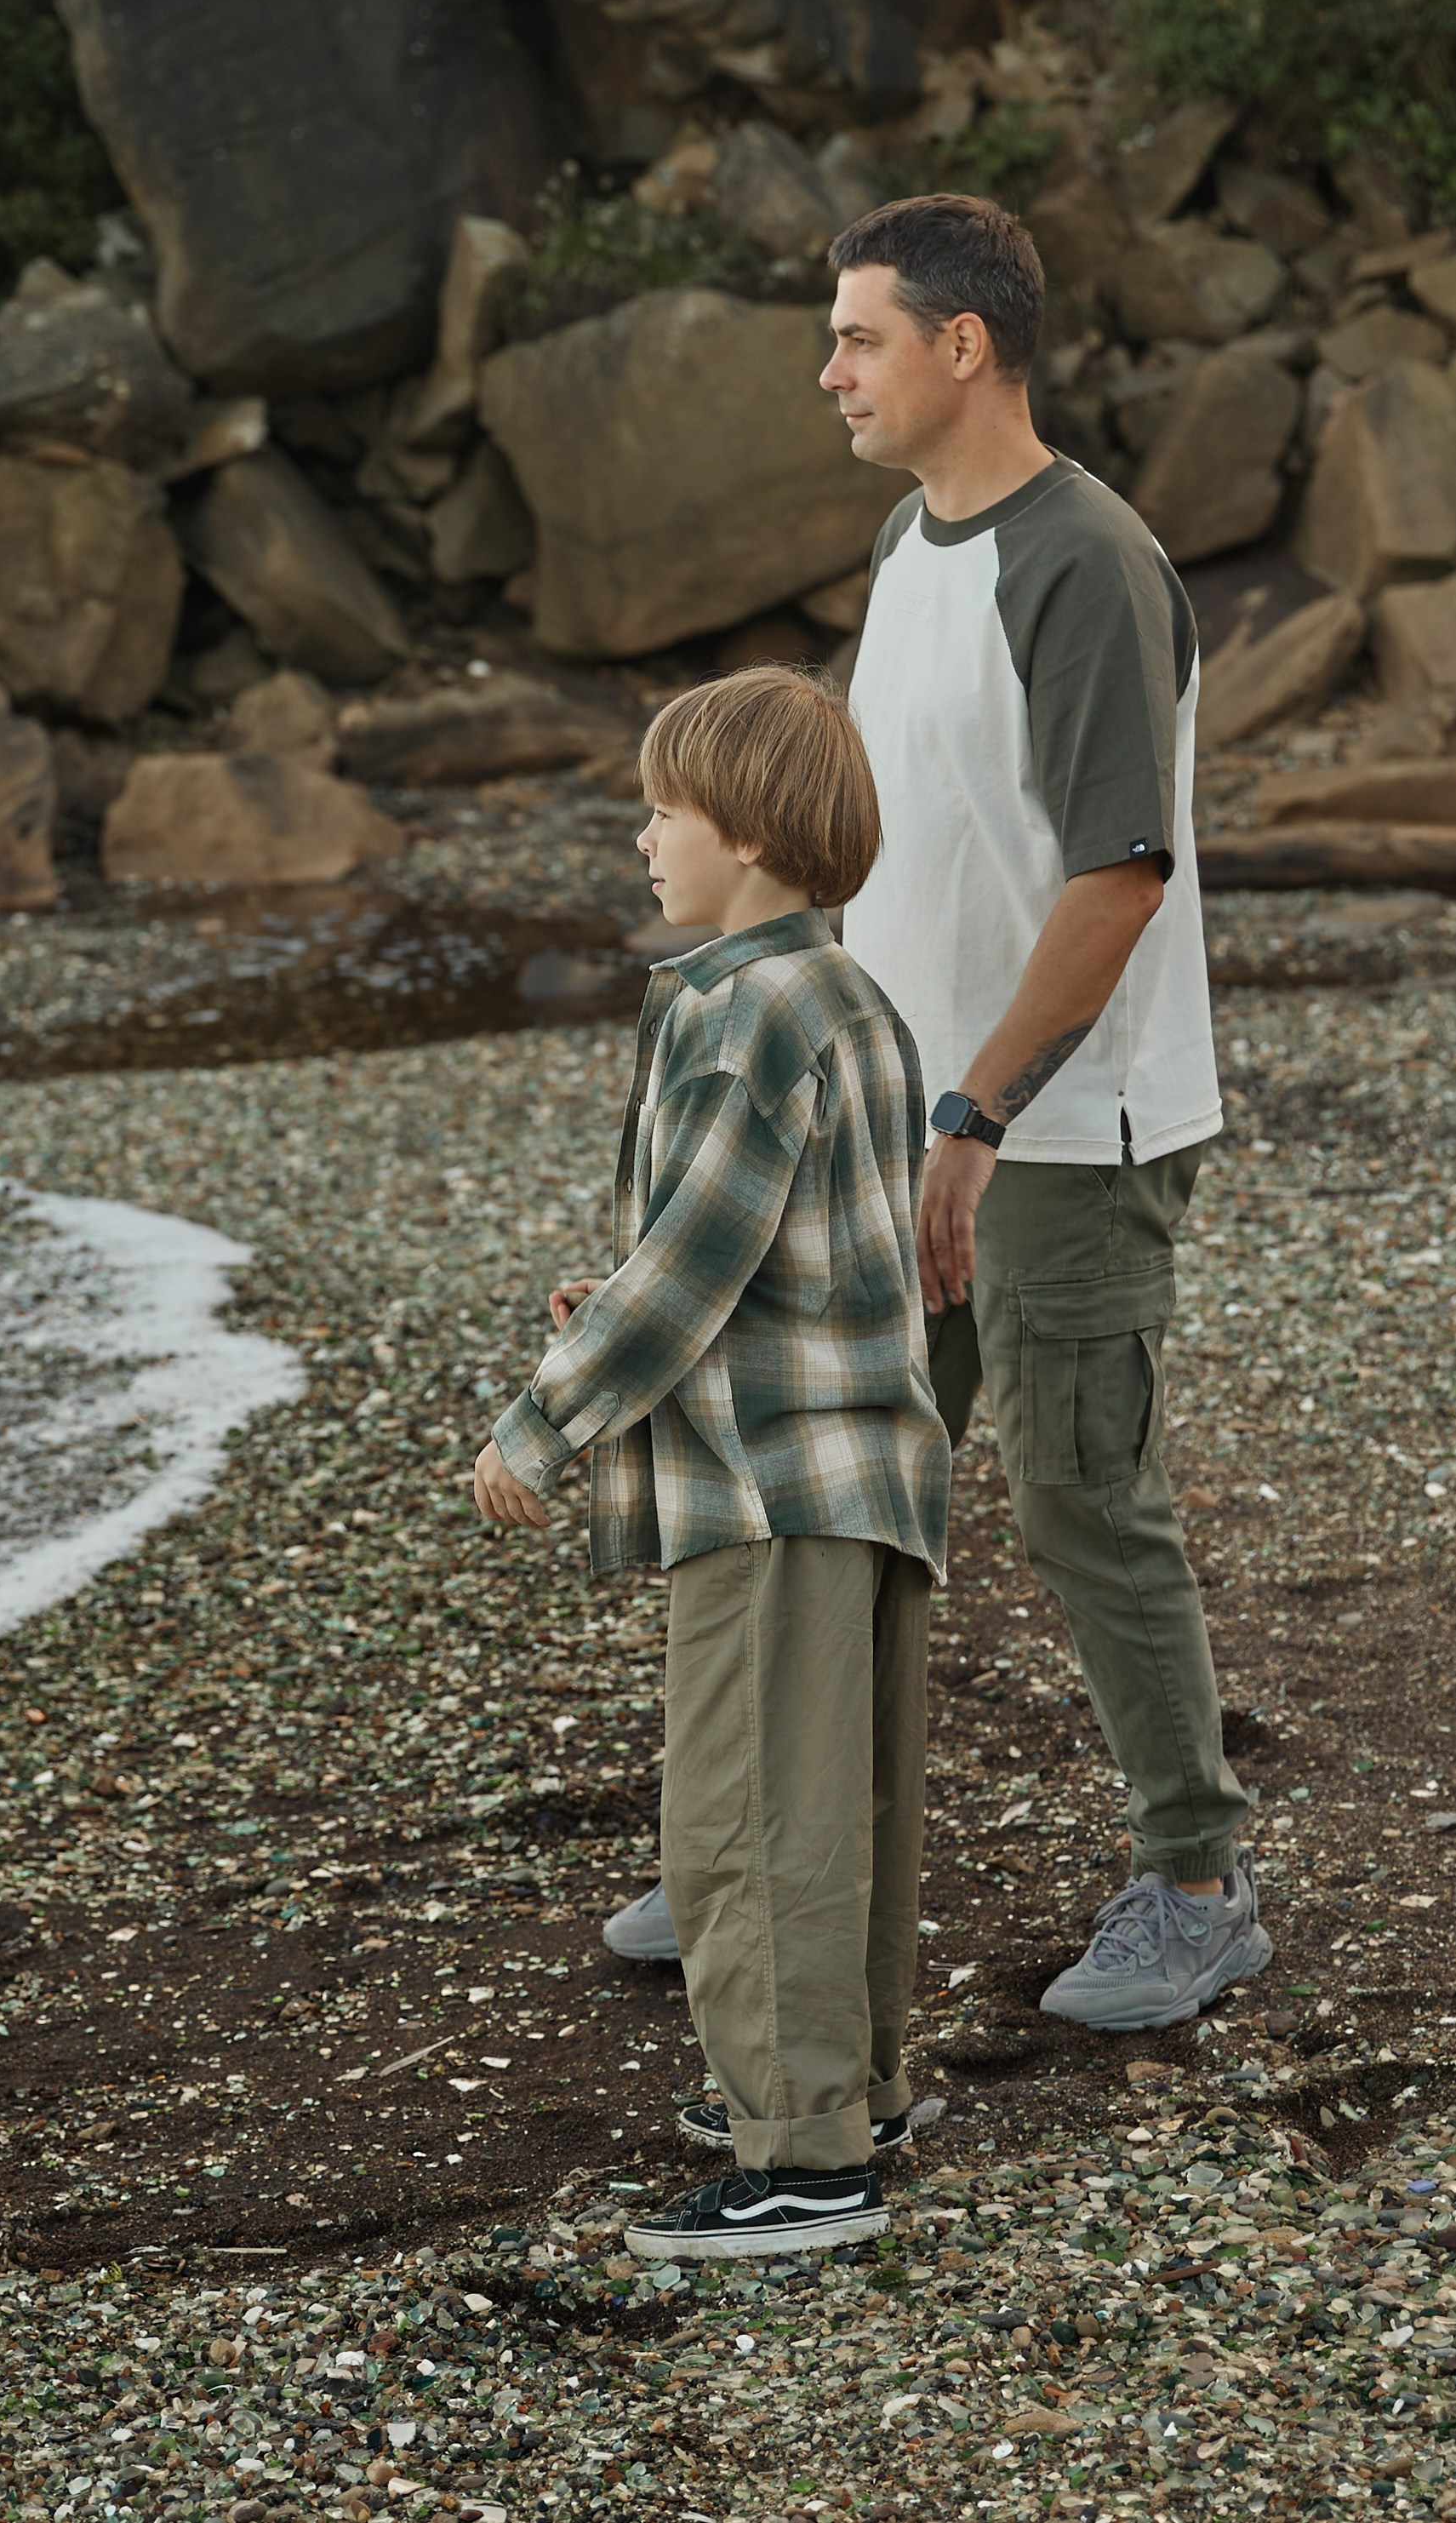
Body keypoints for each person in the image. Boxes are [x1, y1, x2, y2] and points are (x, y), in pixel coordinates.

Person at [609, 194, 1271, 2030]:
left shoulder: (1086, 563)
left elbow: (1118, 872)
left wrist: (977, 1110)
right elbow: (882, 849)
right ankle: (786, 1832)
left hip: (1067, 1132)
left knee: (1078, 1496)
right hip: (909, 1114)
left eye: (858, 337)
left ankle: (1196, 1877)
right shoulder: (911, 544)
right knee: (849, 1488)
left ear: (960, 346)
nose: (828, 370)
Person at [474, 668, 951, 2260]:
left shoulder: (740, 1013)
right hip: (865, 1467)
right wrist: (612, 1296)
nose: (642, 837)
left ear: (747, 832)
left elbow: (688, 1269)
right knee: (850, 1803)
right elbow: (793, 1257)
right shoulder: (849, 998)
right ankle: (855, 2090)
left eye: (666, 809)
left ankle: (804, 2156)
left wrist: (545, 1415)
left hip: (759, 1488)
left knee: (742, 1823)